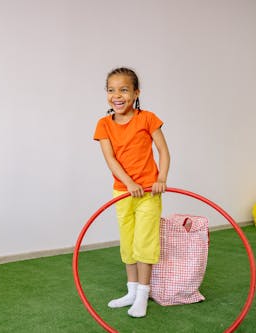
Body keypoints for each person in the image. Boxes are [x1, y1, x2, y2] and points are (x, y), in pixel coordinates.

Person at [93, 67, 170, 318]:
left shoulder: (147, 118)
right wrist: (128, 184)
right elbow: (110, 159)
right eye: (111, 90)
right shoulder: (104, 124)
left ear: (136, 93)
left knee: (144, 242)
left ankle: (143, 296)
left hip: (148, 192)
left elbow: (164, 151)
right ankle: (131, 291)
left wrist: (161, 179)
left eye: (124, 90)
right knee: (127, 243)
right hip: (123, 192)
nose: (117, 95)